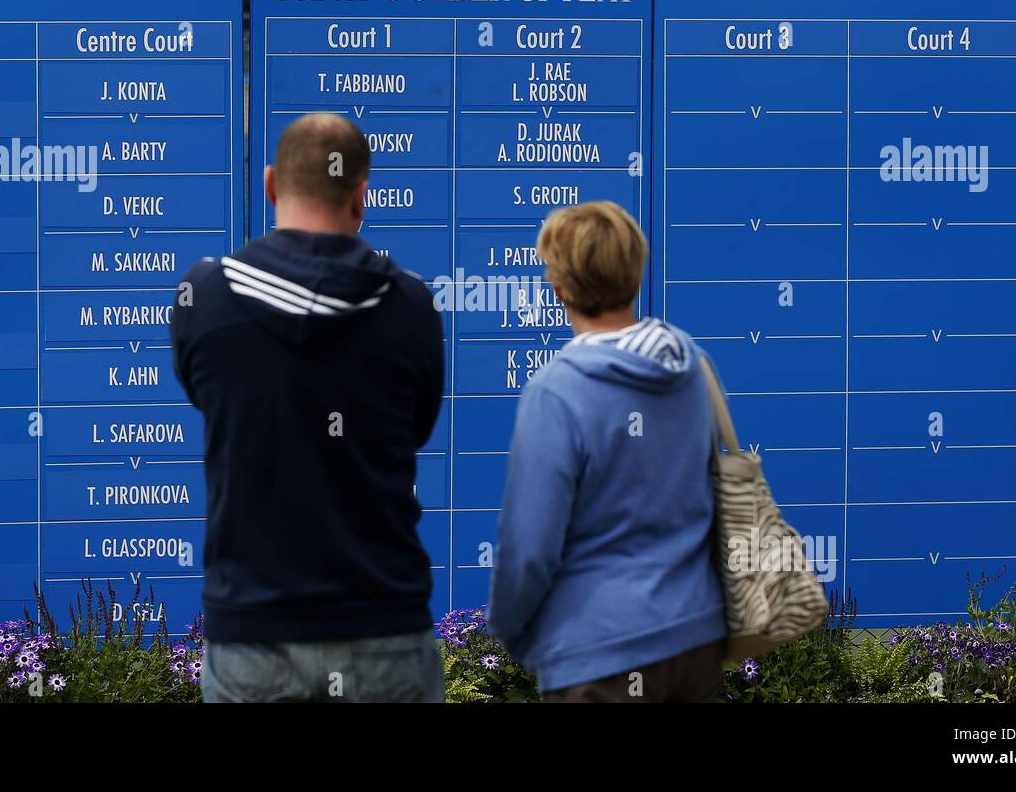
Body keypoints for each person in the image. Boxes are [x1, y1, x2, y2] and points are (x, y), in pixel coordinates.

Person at [171, 113, 445, 703]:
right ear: (361, 194)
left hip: (253, 634)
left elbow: (208, 399)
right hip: (385, 627)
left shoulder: (206, 297)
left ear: (270, 184)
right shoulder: (411, 306)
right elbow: (417, 428)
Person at [488, 201, 727, 702]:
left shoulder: (557, 391)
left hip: (598, 652)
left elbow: (530, 548)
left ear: (559, 285)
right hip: (695, 638)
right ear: (634, 271)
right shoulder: (690, 365)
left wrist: (510, 630)